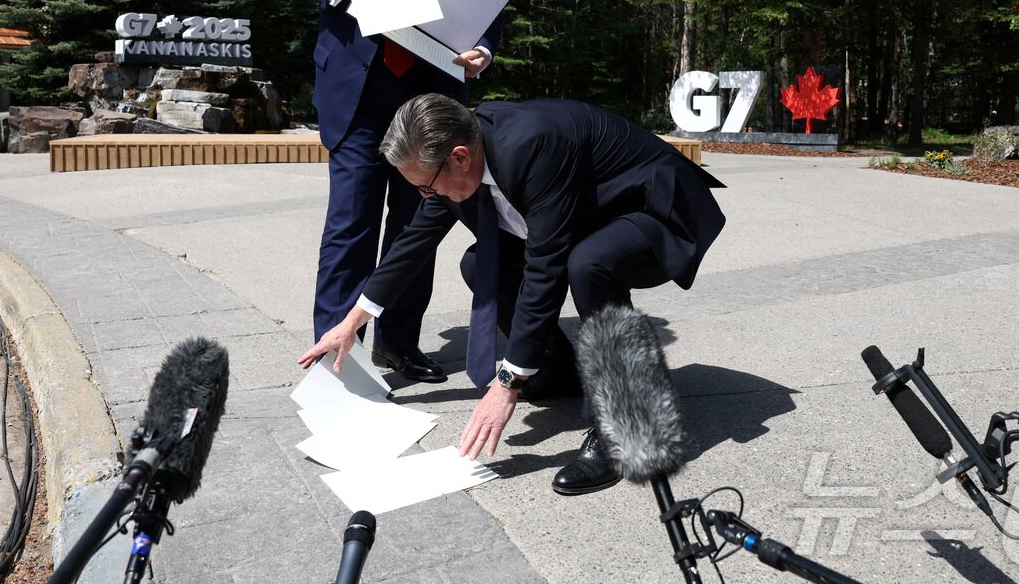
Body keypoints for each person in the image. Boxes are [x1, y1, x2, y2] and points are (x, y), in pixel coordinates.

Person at [298, 94, 726, 495]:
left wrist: (505, 383)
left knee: (588, 264)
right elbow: (412, 243)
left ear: (460, 157)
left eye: (427, 187)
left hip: (652, 209)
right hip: (585, 218)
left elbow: (546, 267)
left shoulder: (533, 146)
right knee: (478, 263)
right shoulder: (450, 156)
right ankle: (556, 373)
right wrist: (353, 321)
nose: (425, 196)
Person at [281, 0, 504, 384]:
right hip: (358, 89)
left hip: (430, 96)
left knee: (416, 224)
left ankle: (398, 345)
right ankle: (337, 358)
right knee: (350, 225)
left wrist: (485, 47)